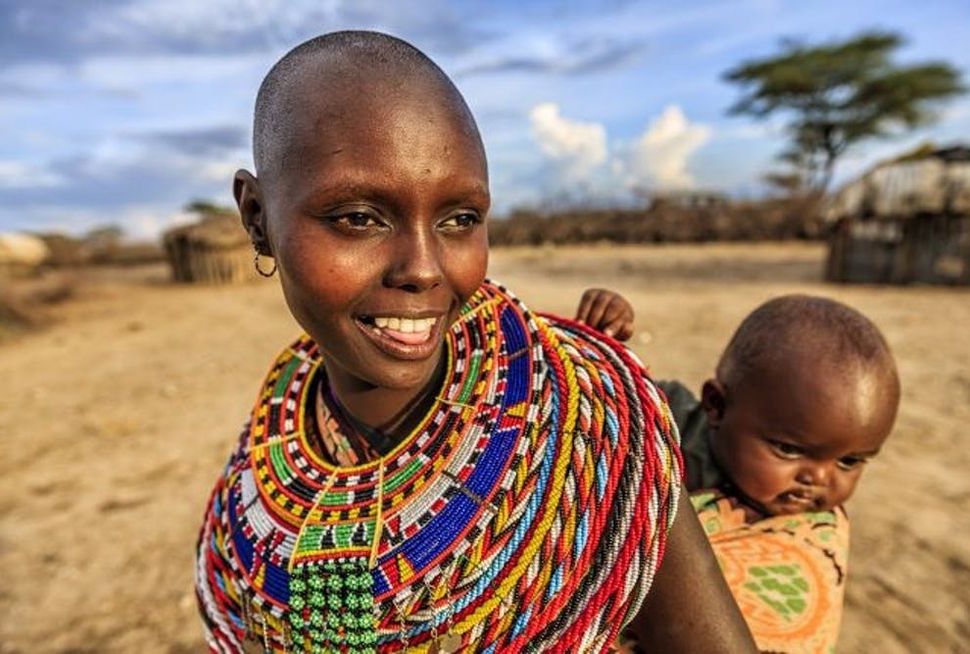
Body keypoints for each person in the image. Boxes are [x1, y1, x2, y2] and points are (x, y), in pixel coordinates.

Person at [193, 31, 756, 654]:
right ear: (256, 216)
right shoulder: (259, 477)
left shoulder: (598, 436)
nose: (425, 268)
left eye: (460, 219)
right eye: (357, 217)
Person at [578, 291, 900, 653]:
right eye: (789, 449)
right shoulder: (670, 423)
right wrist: (603, 338)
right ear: (716, 406)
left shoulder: (812, 537)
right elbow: (608, 405)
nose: (820, 479)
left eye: (850, 462)